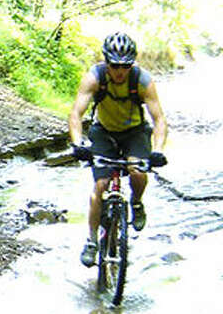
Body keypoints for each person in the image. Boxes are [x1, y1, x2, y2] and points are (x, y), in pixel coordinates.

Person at [68, 31, 168, 267]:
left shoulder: (142, 81)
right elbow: (76, 114)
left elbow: (159, 119)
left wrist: (159, 150)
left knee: (137, 171)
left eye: (125, 66)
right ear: (106, 62)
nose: (120, 71)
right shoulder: (94, 77)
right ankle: (92, 241)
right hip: (103, 132)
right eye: (114, 65)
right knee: (100, 185)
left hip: (135, 132)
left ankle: (136, 203)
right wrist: (77, 143)